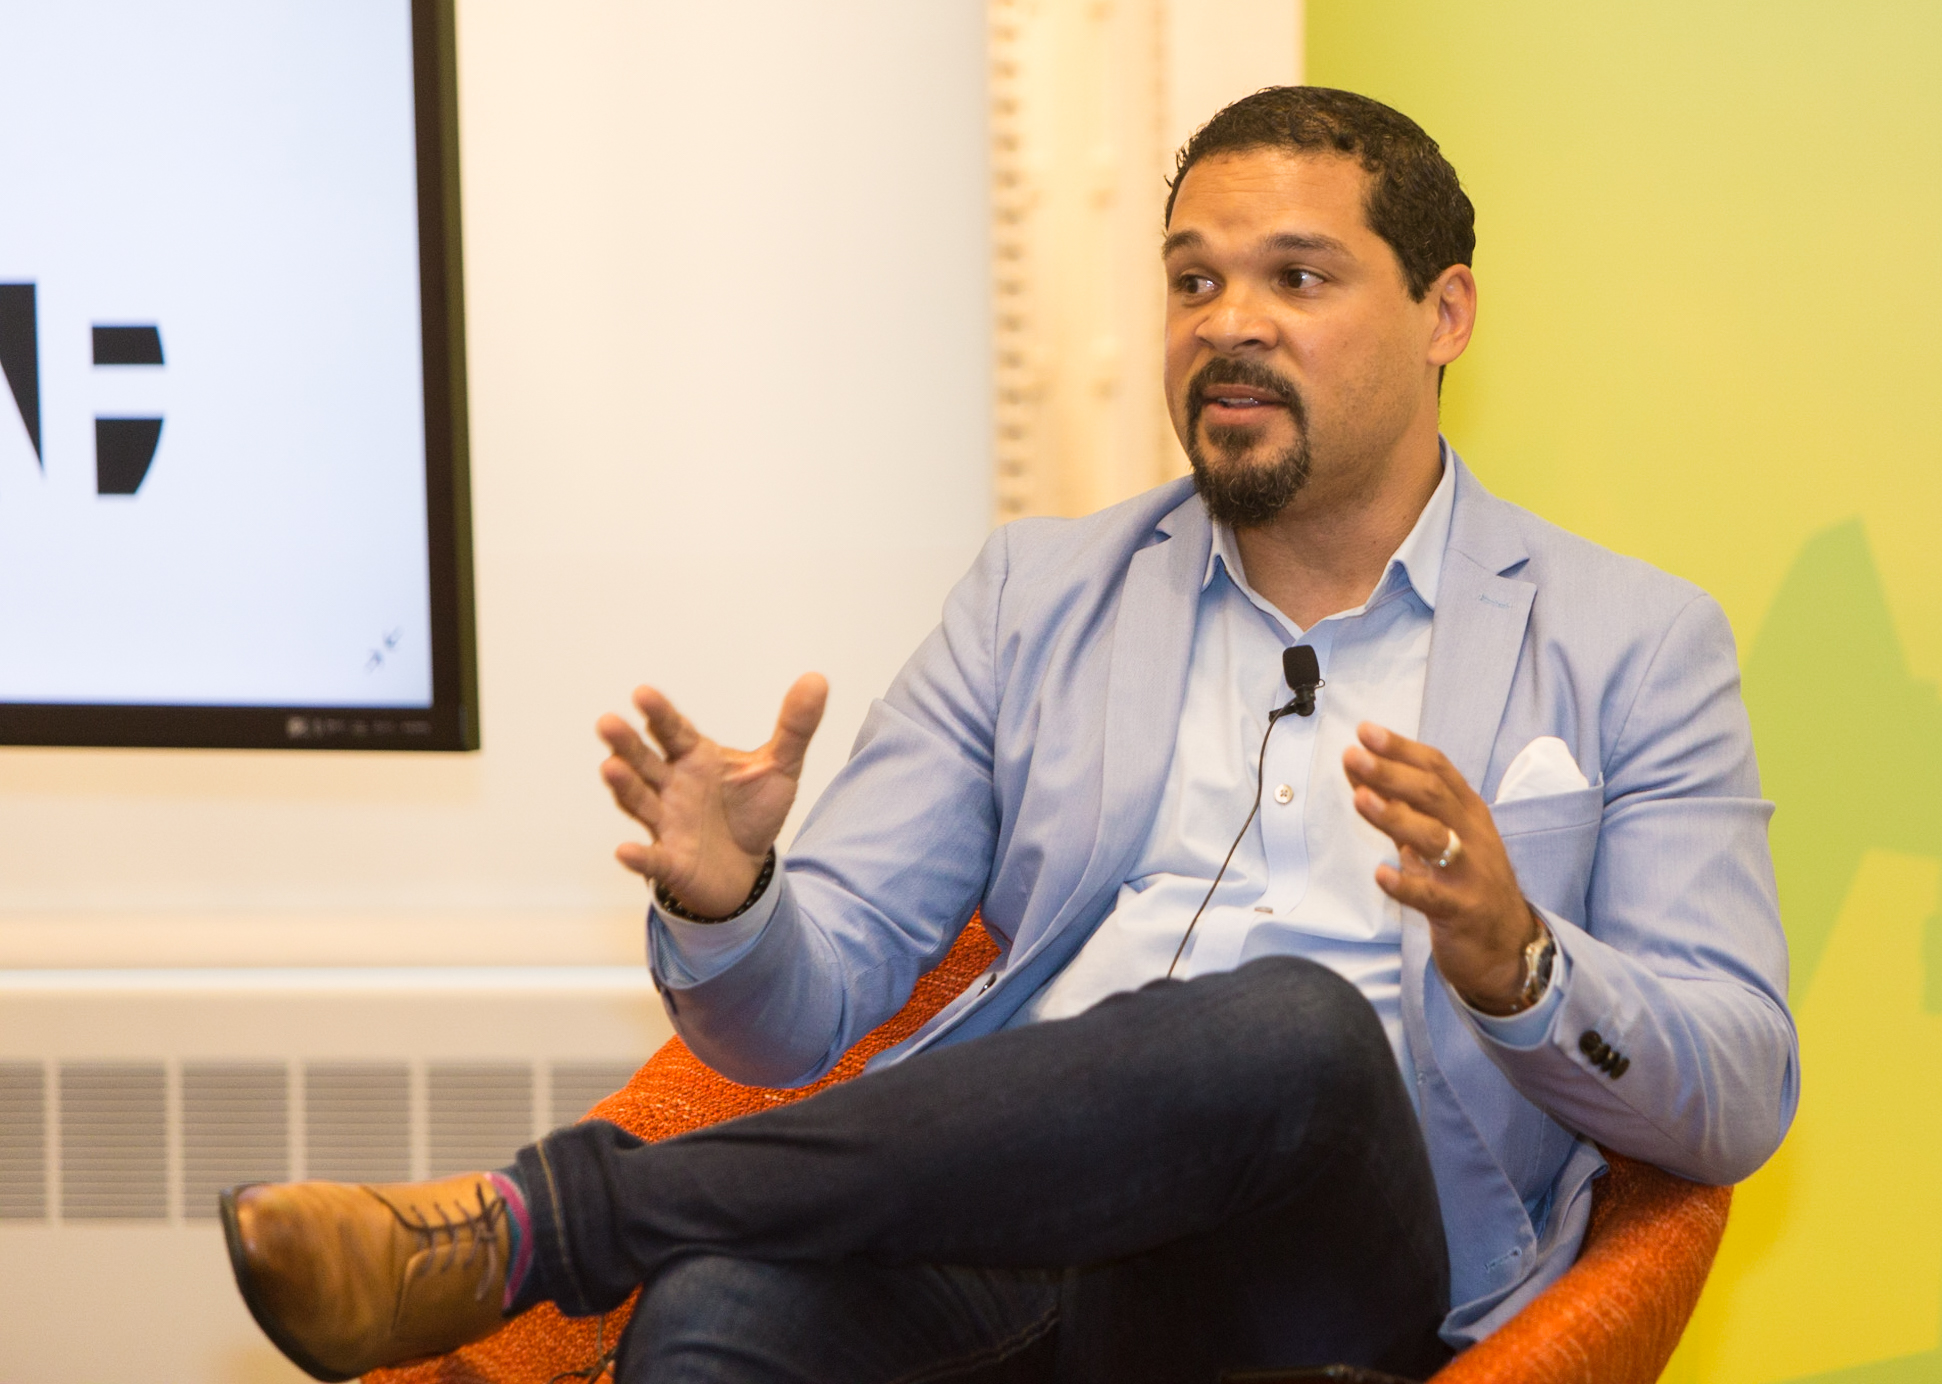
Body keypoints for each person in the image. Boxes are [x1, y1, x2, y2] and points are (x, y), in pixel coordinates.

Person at [221, 87, 1798, 1384]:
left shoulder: (1629, 643)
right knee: (716, 1322)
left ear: (1444, 311)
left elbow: (1738, 1087)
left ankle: (552, 1229)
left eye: (1297, 281)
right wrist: (733, 902)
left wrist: (1524, 961)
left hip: (1334, 1293)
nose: (1228, 326)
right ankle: (606, 1237)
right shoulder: (1037, 595)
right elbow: (809, 1007)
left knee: (1288, 1022)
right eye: (1192, 282)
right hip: (1027, 1222)